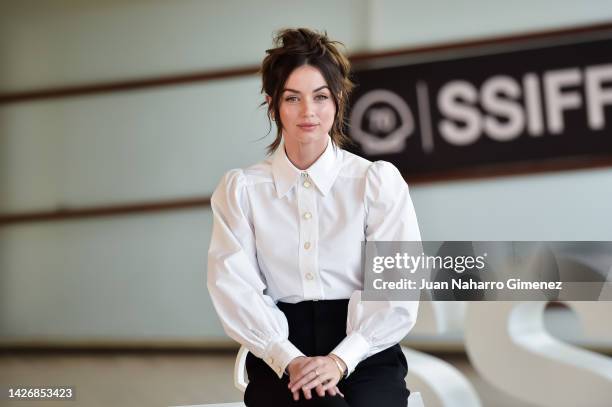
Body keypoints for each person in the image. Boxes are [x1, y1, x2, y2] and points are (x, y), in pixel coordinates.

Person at [207, 27, 421, 407]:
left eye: (320, 97)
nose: (308, 112)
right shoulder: (242, 190)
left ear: (338, 99)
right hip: (280, 352)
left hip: (366, 349)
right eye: (293, 98)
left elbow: (398, 285)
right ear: (272, 103)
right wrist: (290, 360)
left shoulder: (376, 182)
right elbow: (233, 285)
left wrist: (341, 359)